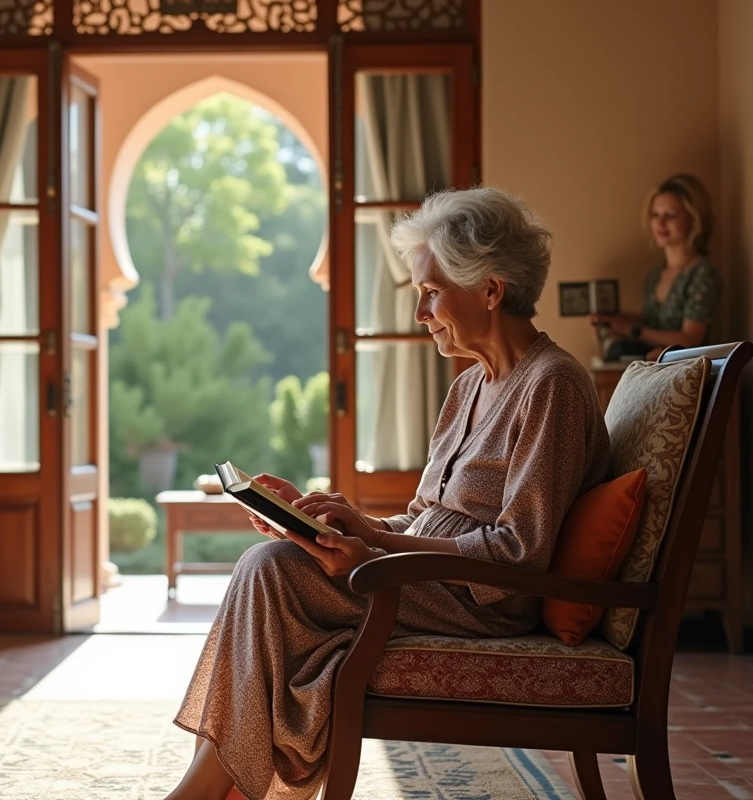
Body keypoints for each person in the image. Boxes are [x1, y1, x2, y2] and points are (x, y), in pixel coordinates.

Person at [166, 187, 611, 800]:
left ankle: (210, 791)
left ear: (489, 289)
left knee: (270, 570)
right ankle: (221, 787)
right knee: (274, 565)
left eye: (431, 292)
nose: (421, 314)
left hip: (486, 600)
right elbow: (430, 518)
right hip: (425, 577)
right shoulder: (468, 389)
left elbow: (520, 551)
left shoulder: (552, 385)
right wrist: (347, 522)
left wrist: (375, 550)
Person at [591, 174, 721, 359]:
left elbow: (691, 339)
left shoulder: (702, 274)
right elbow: (655, 325)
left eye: (670, 215)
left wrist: (632, 330)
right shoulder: (655, 276)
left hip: (689, 375)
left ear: (693, 219)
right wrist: (617, 320)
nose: (660, 223)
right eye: (655, 215)